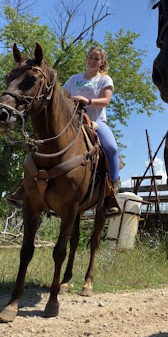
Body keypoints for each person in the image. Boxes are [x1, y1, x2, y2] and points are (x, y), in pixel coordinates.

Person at [63, 46, 121, 215]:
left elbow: (105, 101)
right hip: (72, 121)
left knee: (111, 148)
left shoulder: (104, 79)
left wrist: (86, 101)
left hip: (95, 121)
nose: (93, 61)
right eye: (90, 57)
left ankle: (111, 192)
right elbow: (63, 97)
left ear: (102, 62)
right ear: (86, 58)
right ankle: (29, 185)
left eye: (97, 59)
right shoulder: (74, 79)